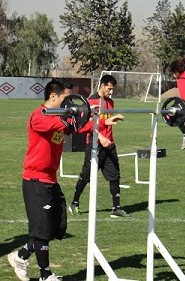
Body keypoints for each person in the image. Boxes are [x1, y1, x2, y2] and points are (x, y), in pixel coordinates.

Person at [7, 79, 122, 281]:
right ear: (53, 97)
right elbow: (59, 124)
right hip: (35, 180)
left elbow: (76, 127)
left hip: (50, 179)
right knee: (42, 231)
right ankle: (46, 275)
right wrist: (73, 115)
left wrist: (102, 122)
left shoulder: (60, 118)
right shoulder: (39, 116)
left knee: (57, 227)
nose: (68, 103)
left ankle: (21, 255)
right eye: (65, 99)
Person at [69, 75, 131, 218]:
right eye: (109, 89)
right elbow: (87, 125)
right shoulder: (90, 101)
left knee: (115, 175)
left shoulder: (111, 102)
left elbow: (106, 122)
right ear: (102, 85)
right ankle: (74, 203)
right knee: (86, 176)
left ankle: (116, 208)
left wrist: (113, 120)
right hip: (94, 144)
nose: (111, 92)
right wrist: (101, 137)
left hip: (109, 144)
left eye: (113, 89)